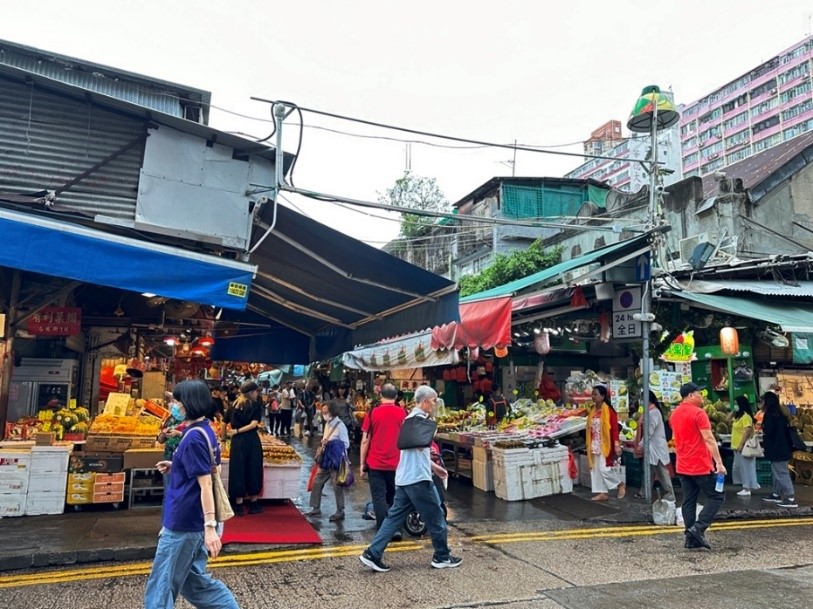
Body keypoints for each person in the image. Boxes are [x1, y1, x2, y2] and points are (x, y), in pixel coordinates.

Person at [144, 379, 239, 609]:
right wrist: (176, 464)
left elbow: (206, 484)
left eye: (177, 401)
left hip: (184, 521)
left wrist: (209, 529)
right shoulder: (203, 430)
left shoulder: (194, 437)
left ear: (188, 403)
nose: (174, 405)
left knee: (161, 584)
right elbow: (201, 469)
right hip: (192, 521)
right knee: (193, 583)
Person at [359, 385, 462, 573]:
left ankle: (372, 553)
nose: (435, 403)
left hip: (405, 478)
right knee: (437, 516)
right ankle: (442, 556)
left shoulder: (409, 419)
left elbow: (414, 453)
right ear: (424, 401)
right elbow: (420, 450)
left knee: (393, 518)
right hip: (418, 479)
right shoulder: (420, 422)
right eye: (433, 400)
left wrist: (436, 467)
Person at [671, 382, 727, 550]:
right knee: (717, 496)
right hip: (700, 464)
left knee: (689, 501)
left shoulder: (674, 414)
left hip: (682, 463)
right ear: (690, 395)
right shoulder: (699, 413)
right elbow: (709, 439)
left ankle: (690, 539)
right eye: (699, 393)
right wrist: (719, 463)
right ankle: (699, 527)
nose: (702, 397)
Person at [360, 382, 407, 540]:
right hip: (397, 463)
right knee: (395, 496)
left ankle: (383, 529)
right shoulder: (403, 413)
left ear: (380, 396)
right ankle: (396, 529)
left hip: (375, 463)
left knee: (379, 497)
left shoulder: (372, 413)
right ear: (395, 397)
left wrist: (361, 464)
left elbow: (365, 440)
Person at [304, 400, 350, 521]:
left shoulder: (340, 426)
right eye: (323, 411)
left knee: (337, 486)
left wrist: (331, 443)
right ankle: (315, 508)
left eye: (326, 411)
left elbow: (346, 444)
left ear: (332, 411)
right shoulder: (328, 424)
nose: (324, 414)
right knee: (317, 481)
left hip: (336, 460)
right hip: (325, 459)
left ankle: (340, 511)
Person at [224, 381, 264, 516]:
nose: (257, 394)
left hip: (237, 442)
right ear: (251, 392)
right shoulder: (255, 406)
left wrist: (225, 438)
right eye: (256, 391)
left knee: (237, 469)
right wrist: (238, 431)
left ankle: (239, 505)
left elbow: (224, 422)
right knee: (254, 468)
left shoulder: (233, 405)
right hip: (251, 440)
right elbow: (253, 425)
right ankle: (253, 503)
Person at [634, 391, 675, 502]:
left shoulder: (653, 413)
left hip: (656, 448)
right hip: (652, 448)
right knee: (649, 470)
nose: (640, 402)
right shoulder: (650, 412)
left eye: (642, 400)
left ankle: (670, 494)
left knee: (661, 471)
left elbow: (649, 432)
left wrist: (641, 445)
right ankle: (644, 492)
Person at [586, 385, 625, 502]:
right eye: (592, 394)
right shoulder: (592, 410)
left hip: (605, 444)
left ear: (602, 396)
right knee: (596, 469)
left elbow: (614, 429)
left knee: (604, 469)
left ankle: (619, 484)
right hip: (594, 443)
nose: (593, 397)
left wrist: (617, 445)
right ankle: (602, 493)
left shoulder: (609, 411)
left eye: (595, 394)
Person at [760, 391, 797, 508]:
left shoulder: (769, 416)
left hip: (776, 449)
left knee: (781, 473)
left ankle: (790, 497)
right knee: (777, 472)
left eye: (762, 401)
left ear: (767, 402)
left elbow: (768, 431)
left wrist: (763, 427)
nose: (760, 403)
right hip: (783, 448)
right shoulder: (781, 415)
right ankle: (776, 494)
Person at [730, 394, 759, 497]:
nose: (735, 406)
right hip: (736, 446)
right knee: (739, 467)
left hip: (743, 446)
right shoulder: (738, 417)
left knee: (746, 467)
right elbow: (727, 420)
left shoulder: (746, 417)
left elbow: (747, 431)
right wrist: (733, 412)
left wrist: (741, 444)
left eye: (736, 404)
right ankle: (745, 485)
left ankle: (747, 488)